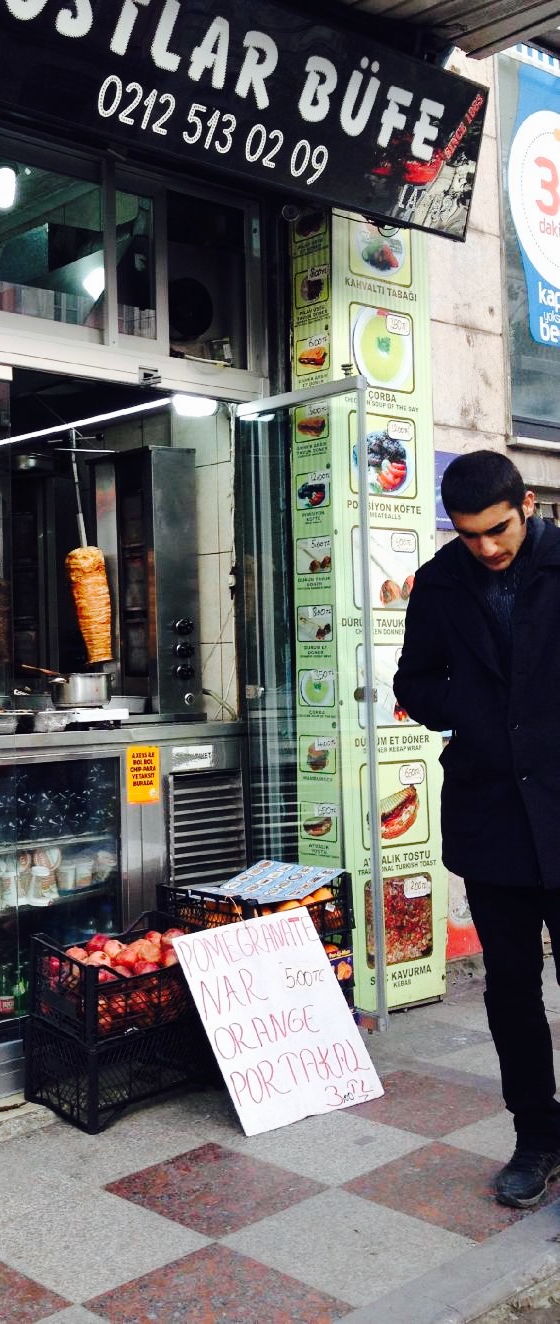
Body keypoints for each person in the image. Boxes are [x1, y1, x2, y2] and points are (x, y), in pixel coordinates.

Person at [394, 450, 560, 1208]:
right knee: (511, 989)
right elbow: (413, 679)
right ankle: (536, 1136)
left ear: (526, 505)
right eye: (468, 534)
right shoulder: (439, 582)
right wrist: (474, 714)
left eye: (497, 529)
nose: (486, 547)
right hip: (490, 816)